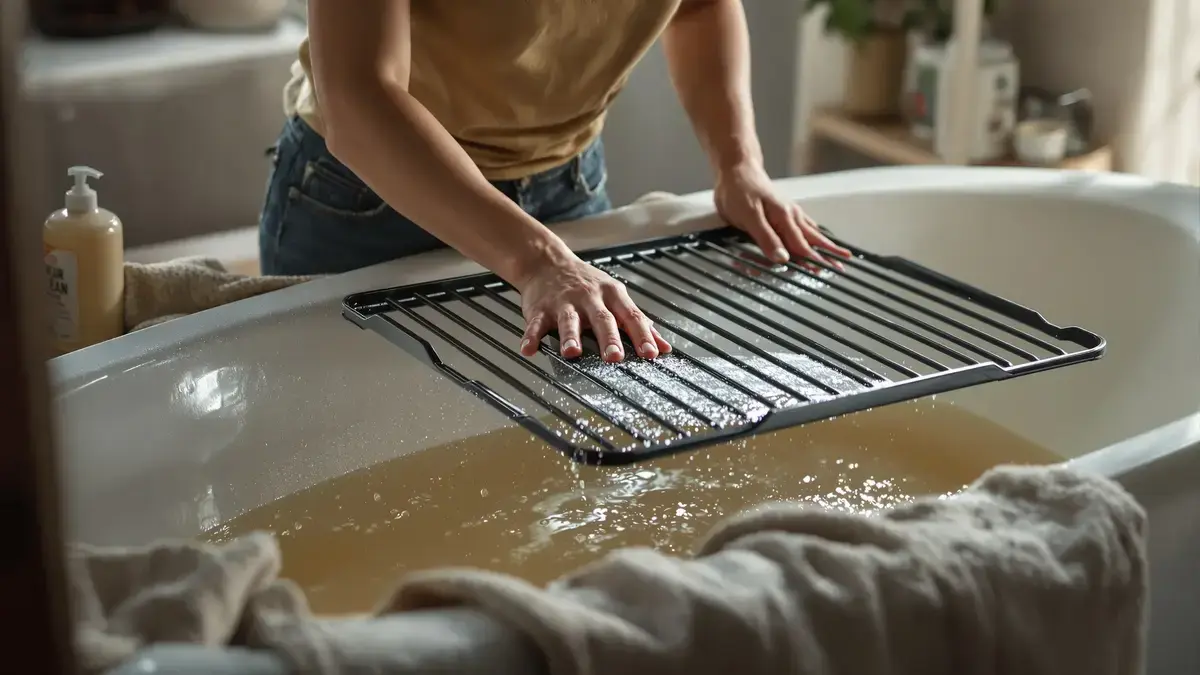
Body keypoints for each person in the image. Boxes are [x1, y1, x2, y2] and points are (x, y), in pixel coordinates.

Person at [259, 0, 849, 363]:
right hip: (371, 198)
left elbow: (698, 6)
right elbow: (360, 97)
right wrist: (539, 260)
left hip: (566, 186)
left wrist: (738, 164)